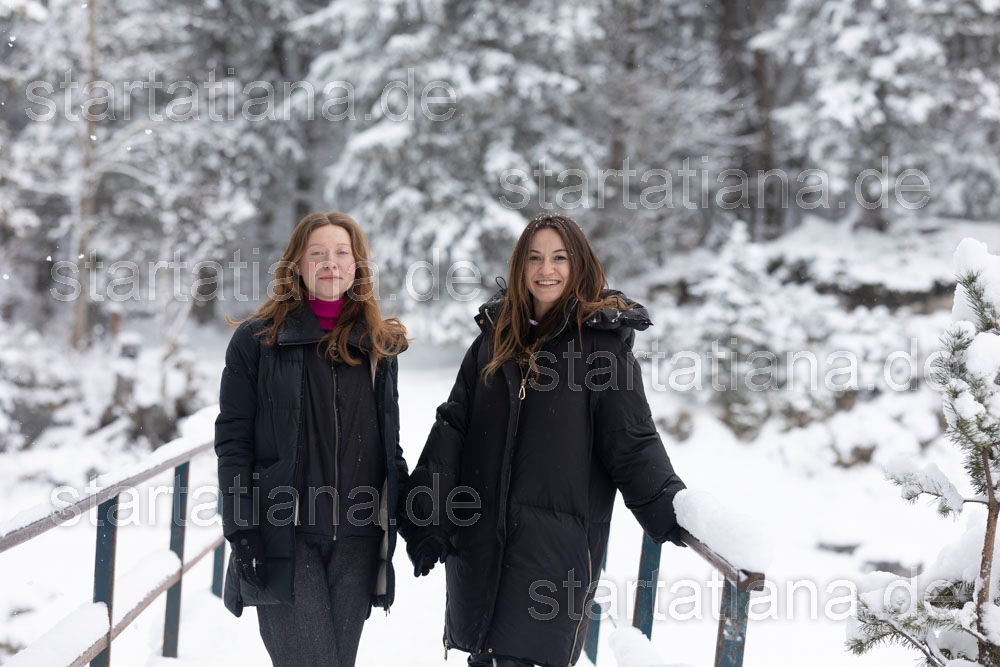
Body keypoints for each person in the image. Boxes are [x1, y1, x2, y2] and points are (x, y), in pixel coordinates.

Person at [403, 212, 687, 667]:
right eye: (534, 258)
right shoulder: (495, 339)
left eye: (559, 258)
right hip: (480, 547)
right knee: (485, 654)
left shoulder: (601, 348)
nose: (546, 269)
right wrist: (428, 516)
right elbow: (453, 425)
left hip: (552, 559)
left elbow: (631, 440)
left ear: (579, 265)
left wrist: (670, 507)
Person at [215, 211, 410, 667]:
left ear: (357, 266)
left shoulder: (377, 347)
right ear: (296, 265)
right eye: (316, 253)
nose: (330, 263)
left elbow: (389, 448)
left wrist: (416, 521)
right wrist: (242, 531)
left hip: (358, 540)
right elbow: (234, 443)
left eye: (342, 252)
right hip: (285, 536)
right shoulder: (257, 342)